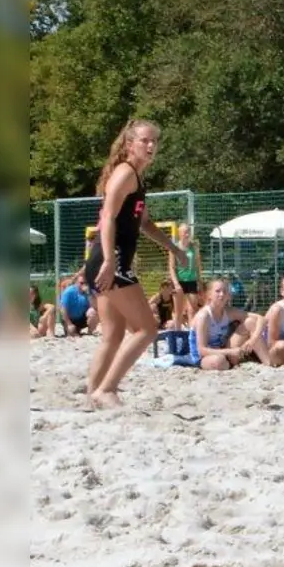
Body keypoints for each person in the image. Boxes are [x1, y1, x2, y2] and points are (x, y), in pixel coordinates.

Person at [83, 119, 188, 407]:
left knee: (113, 335)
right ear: (130, 144)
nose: (151, 145)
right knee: (147, 329)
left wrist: (174, 248)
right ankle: (107, 390)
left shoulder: (138, 179)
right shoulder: (125, 173)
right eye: (145, 140)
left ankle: (93, 396)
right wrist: (107, 259)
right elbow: (106, 218)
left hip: (107, 261)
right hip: (110, 260)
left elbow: (144, 223)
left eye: (155, 140)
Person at [168, 224, 202, 327]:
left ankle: (191, 336)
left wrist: (199, 280)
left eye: (188, 231)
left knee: (192, 310)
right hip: (179, 282)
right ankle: (178, 333)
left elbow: (198, 265)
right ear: (180, 234)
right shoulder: (174, 248)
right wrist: (176, 283)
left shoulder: (194, 247)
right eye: (185, 232)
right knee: (178, 312)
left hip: (191, 281)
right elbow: (172, 268)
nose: (187, 234)